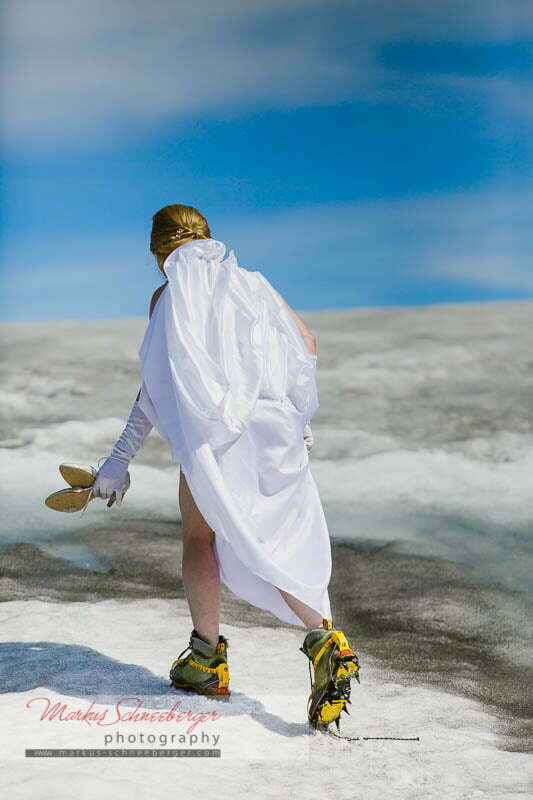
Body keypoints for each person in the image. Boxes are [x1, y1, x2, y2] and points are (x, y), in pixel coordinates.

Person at [90, 203, 360, 730]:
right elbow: (307, 343)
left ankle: (205, 660)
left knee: (200, 536)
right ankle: (326, 639)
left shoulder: (169, 296)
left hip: (217, 435)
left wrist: (118, 462)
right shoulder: (254, 283)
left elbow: (156, 388)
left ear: (159, 250)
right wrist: (298, 421)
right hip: (277, 430)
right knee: (268, 541)